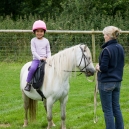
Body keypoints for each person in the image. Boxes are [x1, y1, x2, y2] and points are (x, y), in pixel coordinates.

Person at [95, 26, 124, 129]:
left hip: (106, 83)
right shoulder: (120, 47)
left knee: (108, 110)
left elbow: (104, 68)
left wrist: (98, 67)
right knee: (116, 107)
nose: (103, 37)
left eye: (104, 35)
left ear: (108, 36)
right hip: (117, 82)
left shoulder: (106, 50)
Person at [24, 20, 51, 91]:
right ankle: (28, 83)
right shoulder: (33, 41)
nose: (39, 33)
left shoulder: (46, 41)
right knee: (32, 68)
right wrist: (40, 58)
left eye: (41, 31)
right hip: (36, 59)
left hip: (45, 59)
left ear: (44, 32)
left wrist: (49, 58)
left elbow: (48, 51)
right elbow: (34, 52)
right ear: (34, 32)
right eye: (37, 31)